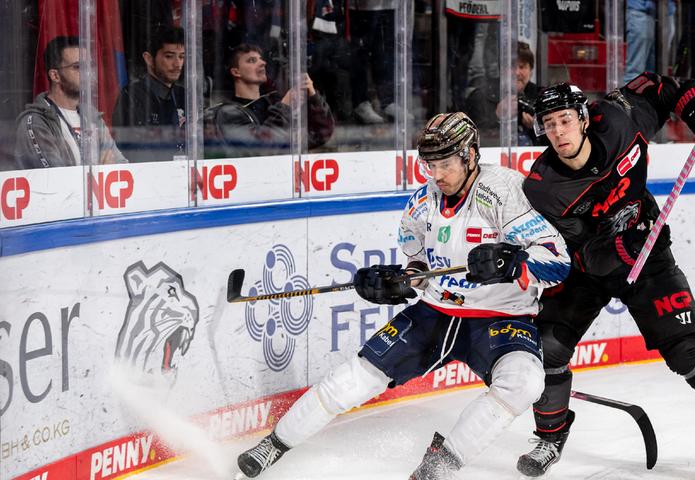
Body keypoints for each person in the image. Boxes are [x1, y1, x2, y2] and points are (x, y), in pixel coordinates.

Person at [235, 112, 572, 479]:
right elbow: (420, 269)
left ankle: (441, 464)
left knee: (524, 383)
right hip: (436, 313)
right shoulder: (423, 201)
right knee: (354, 378)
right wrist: (399, 282)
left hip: (501, 318)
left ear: (470, 155)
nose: (437, 175)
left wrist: (514, 261)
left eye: (445, 164)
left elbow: (558, 261)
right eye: (430, 165)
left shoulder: (505, 191)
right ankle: (276, 443)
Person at [516, 76, 695, 480]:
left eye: (565, 119)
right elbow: (572, 248)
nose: (558, 132)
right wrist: (619, 249)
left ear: (584, 118)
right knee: (547, 350)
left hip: (648, 255)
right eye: (548, 124)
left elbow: (661, 86)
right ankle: (550, 438)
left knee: (688, 352)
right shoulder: (544, 187)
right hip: (586, 270)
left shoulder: (620, 119)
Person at [15, 36, 127, 169]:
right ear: (55, 75)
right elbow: (56, 180)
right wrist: (101, 169)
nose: (88, 73)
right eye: (78, 67)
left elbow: (121, 167)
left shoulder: (92, 117)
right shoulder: (35, 122)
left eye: (89, 66)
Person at [205, 44, 334, 157]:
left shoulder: (273, 102)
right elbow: (260, 150)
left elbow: (319, 135)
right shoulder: (227, 113)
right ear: (236, 72)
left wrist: (313, 97)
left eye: (261, 59)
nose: (263, 63)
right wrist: (285, 106)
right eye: (251, 60)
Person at [112, 26, 187, 162]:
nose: (178, 64)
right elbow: (132, 152)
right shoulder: (131, 96)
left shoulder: (185, 95)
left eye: (181, 57)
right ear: (148, 59)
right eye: (169, 56)